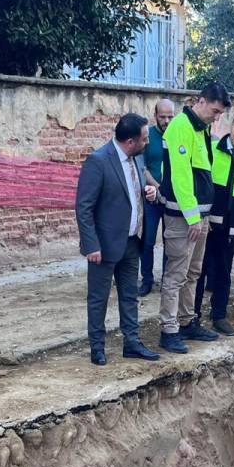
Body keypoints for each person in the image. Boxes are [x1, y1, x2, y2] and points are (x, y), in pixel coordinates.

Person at [74, 112, 161, 365]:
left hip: (132, 242)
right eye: (145, 139)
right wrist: (91, 245)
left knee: (129, 295)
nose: (148, 142)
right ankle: (97, 348)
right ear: (131, 141)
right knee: (99, 298)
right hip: (103, 246)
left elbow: (132, 194)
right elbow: (84, 207)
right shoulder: (98, 161)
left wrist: (151, 193)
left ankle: (132, 343)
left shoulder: (137, 159)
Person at [158, 82, 232, 354]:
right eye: (215, 111)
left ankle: (187, 321)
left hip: (199, 215)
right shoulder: (180, 126)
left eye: (220, 114)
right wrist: (191, 217)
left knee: (194, 272)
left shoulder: (200, 129)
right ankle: (169, 329)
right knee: (176, 273)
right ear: (201, 101)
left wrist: (204, 217)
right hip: (183, 217)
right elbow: (180, 175)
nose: (217, 117)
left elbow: (203, 173)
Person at [192, 111, 234, 335]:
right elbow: (201, 186)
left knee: (223, 271)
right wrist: (203, 218)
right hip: (208, 224)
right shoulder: (211, 151)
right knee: (199, 271)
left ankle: (219, 315)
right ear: (231, 127)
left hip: (232, 226)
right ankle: (193, 316)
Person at [139, 98, 175, 296]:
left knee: (170, 241)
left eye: (170, 116)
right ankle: (147, 279)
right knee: (148, 240)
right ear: (155, 116)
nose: (167, 120)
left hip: (172, 199)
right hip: (152, 197)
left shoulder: (177, 136)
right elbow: (142, 167)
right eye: (163, 117)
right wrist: (157, 186)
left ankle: (167, 280)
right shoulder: (148, 136)